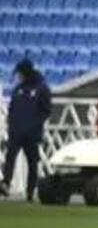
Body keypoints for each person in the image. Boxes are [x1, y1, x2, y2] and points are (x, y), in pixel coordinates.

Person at [1, 58, 52, 201]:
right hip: (16, 131)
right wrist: (11, 125)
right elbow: (12, 109)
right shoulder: (18, 90)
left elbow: (46, 109)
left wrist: (36, 124)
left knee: (32, 162)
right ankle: (6, 183)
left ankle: (31, 190)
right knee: (10, 157)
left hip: (32, 132)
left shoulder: (42, 88)